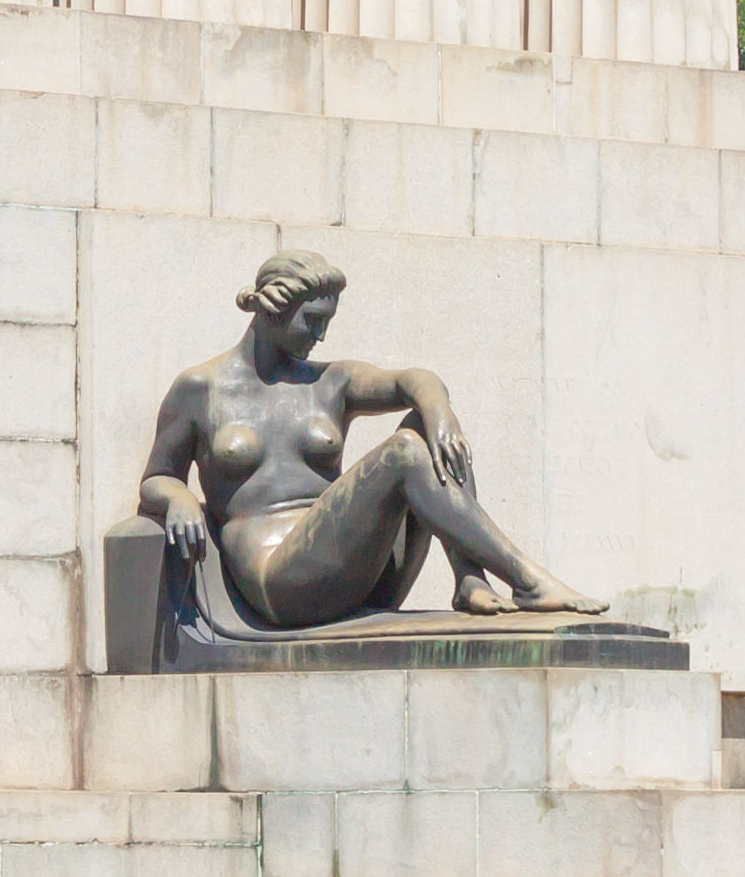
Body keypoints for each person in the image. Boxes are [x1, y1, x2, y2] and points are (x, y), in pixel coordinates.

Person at [137, 245, 603, 627]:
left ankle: (469, 578)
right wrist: (177, 497)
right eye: (312, 320)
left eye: (327, 322)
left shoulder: (330, 382)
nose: (320, 335)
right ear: (274, 308)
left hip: (355, 566)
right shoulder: (202, 388)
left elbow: (413, 379)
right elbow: (157, 476)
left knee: (425, 427)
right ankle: (527, 579)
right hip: (277, 577)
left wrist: (438, 410)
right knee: (402, 453)